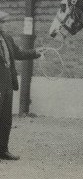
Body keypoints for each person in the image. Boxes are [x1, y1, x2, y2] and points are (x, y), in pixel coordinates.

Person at [0, 11, 44, 160]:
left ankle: (3, 150)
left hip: (7, 83)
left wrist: (35, 52)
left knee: (6, 119)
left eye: (3, 22)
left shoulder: (7, 38)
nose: (4, 25)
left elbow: (18, 53)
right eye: (1, 22)